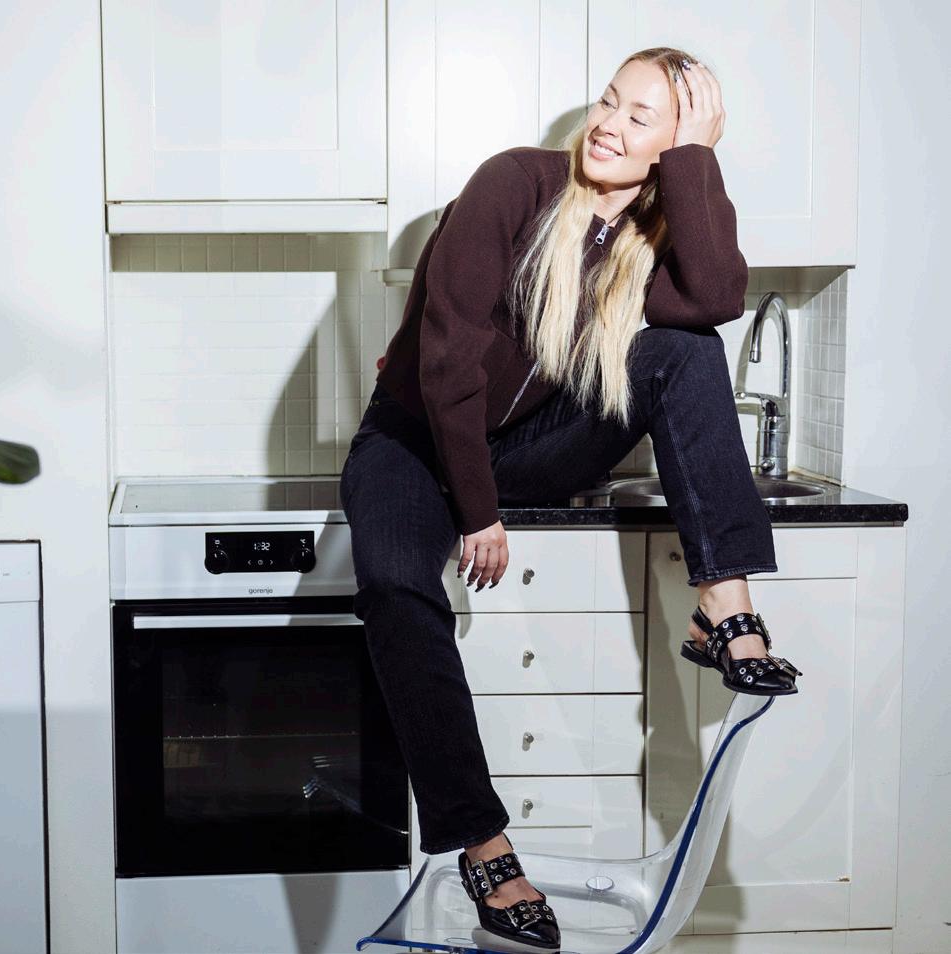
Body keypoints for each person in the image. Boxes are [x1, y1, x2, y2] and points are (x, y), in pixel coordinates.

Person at [338, 46, 803, 950]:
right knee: (396, 587)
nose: (608, 126)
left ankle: (723, 603)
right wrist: (476, 510)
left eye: (641, 118)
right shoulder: (514, 184)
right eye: (607, 102)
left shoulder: (654, 233)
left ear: (675, 146)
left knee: (686, 349)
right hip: (412, 443)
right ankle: (482, 843)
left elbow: (714, 299)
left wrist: (695, 165)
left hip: (530, 450)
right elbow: (445, 357)